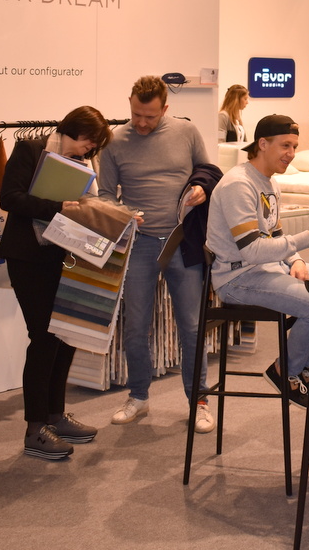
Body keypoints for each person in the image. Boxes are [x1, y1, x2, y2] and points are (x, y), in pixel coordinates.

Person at [206, 114, 309, 408]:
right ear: (263, 144)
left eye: (295, 146)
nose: (291, 153)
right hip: (237, 278)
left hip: (270, 267)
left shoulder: (270, 183)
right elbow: (252, 251)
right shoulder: (238, 185)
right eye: (285, 145)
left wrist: (296, 260)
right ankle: (285, 371)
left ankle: (301, 362)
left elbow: (275, 234)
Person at [101, 76, 216, 433]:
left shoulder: (187, 132)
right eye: (136, 114)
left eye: (149, 116)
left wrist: (200, 188)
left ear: (165, 108)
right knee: (135, 325)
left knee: (192, 326)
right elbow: (104, 194)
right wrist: (122, 214)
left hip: (181, 240)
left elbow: (208, 172)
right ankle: (138, 395)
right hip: (139, 242)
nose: (141, 122)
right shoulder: (114, 141)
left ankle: (199, 400)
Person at [0, 106, 112, 460]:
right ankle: (35, 428)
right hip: (28, 256)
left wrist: (115, 216)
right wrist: (57, 206)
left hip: (65, 254)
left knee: (66, 335)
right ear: (74, 130)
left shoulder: (84, 163)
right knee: (44, 338)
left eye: (94, 146)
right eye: (89, 142)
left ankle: (55, 416)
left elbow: (87, 205)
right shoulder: (31, 150)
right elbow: (9, 198)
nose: (89, 150)